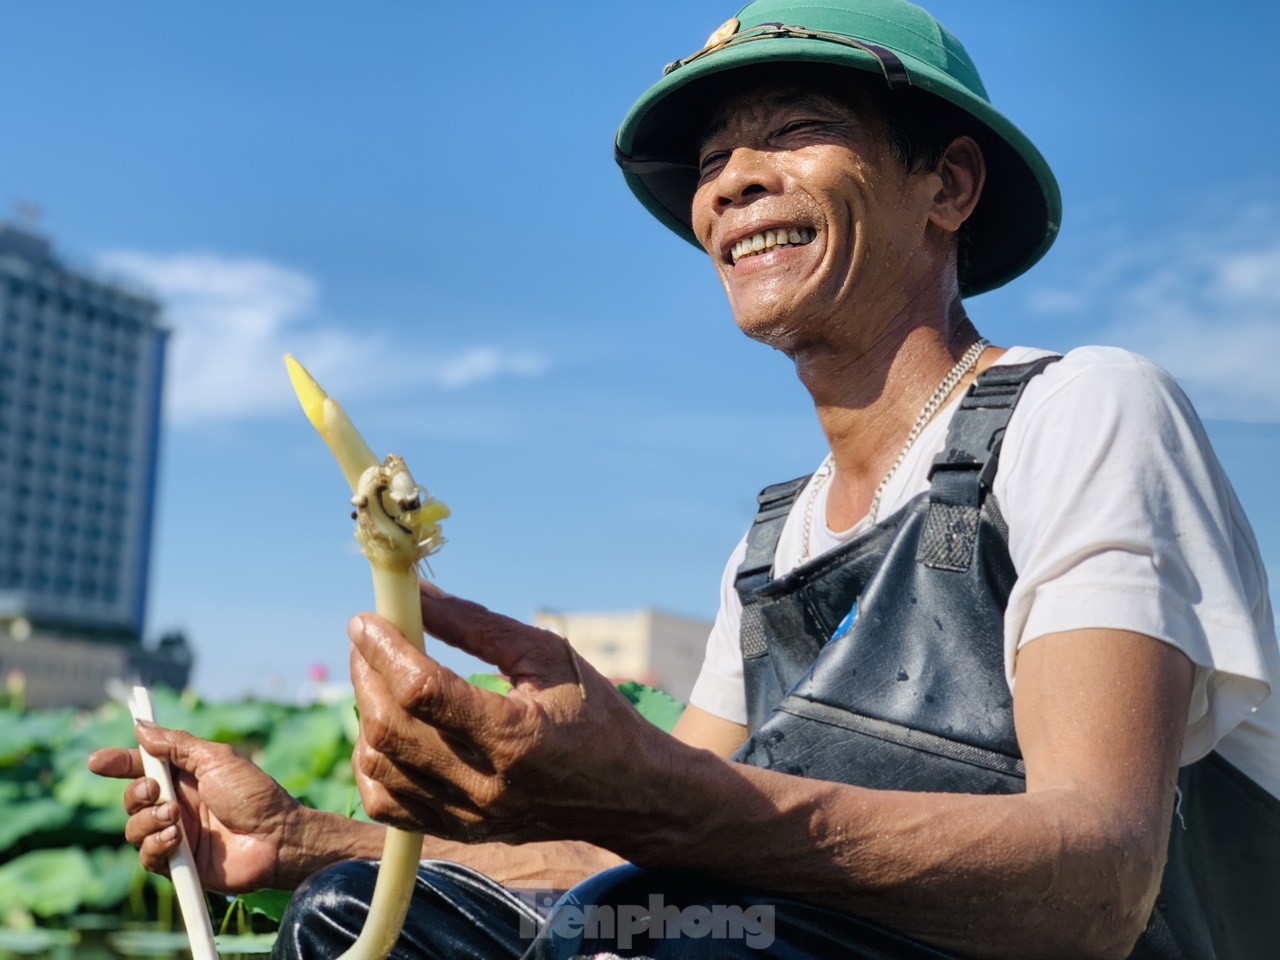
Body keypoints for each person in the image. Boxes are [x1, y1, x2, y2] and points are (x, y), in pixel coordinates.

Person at [90, 0, 1280, 957]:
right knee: (359, 916)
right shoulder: (771, 547)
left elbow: (1097, 887)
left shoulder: (1081, 411)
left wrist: (655, 786)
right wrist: (300, 838)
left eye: (790, 129)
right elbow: (647, 867)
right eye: (712, 158)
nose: (730, 182)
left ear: (947, 186)